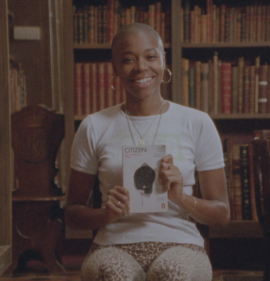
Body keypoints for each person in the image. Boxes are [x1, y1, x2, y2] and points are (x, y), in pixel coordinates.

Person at [65, 23, 230, 281]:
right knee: (112, 274)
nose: (141, 67)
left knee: (175, 273)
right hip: (112, 244)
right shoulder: (94, 126)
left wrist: (181, 197)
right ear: (115, 69)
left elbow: (222, 215)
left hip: (181, 244)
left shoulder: (197, 123)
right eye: (128, 59)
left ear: (163, 61)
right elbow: (72, 213)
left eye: (150, 56)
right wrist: (106, 214)